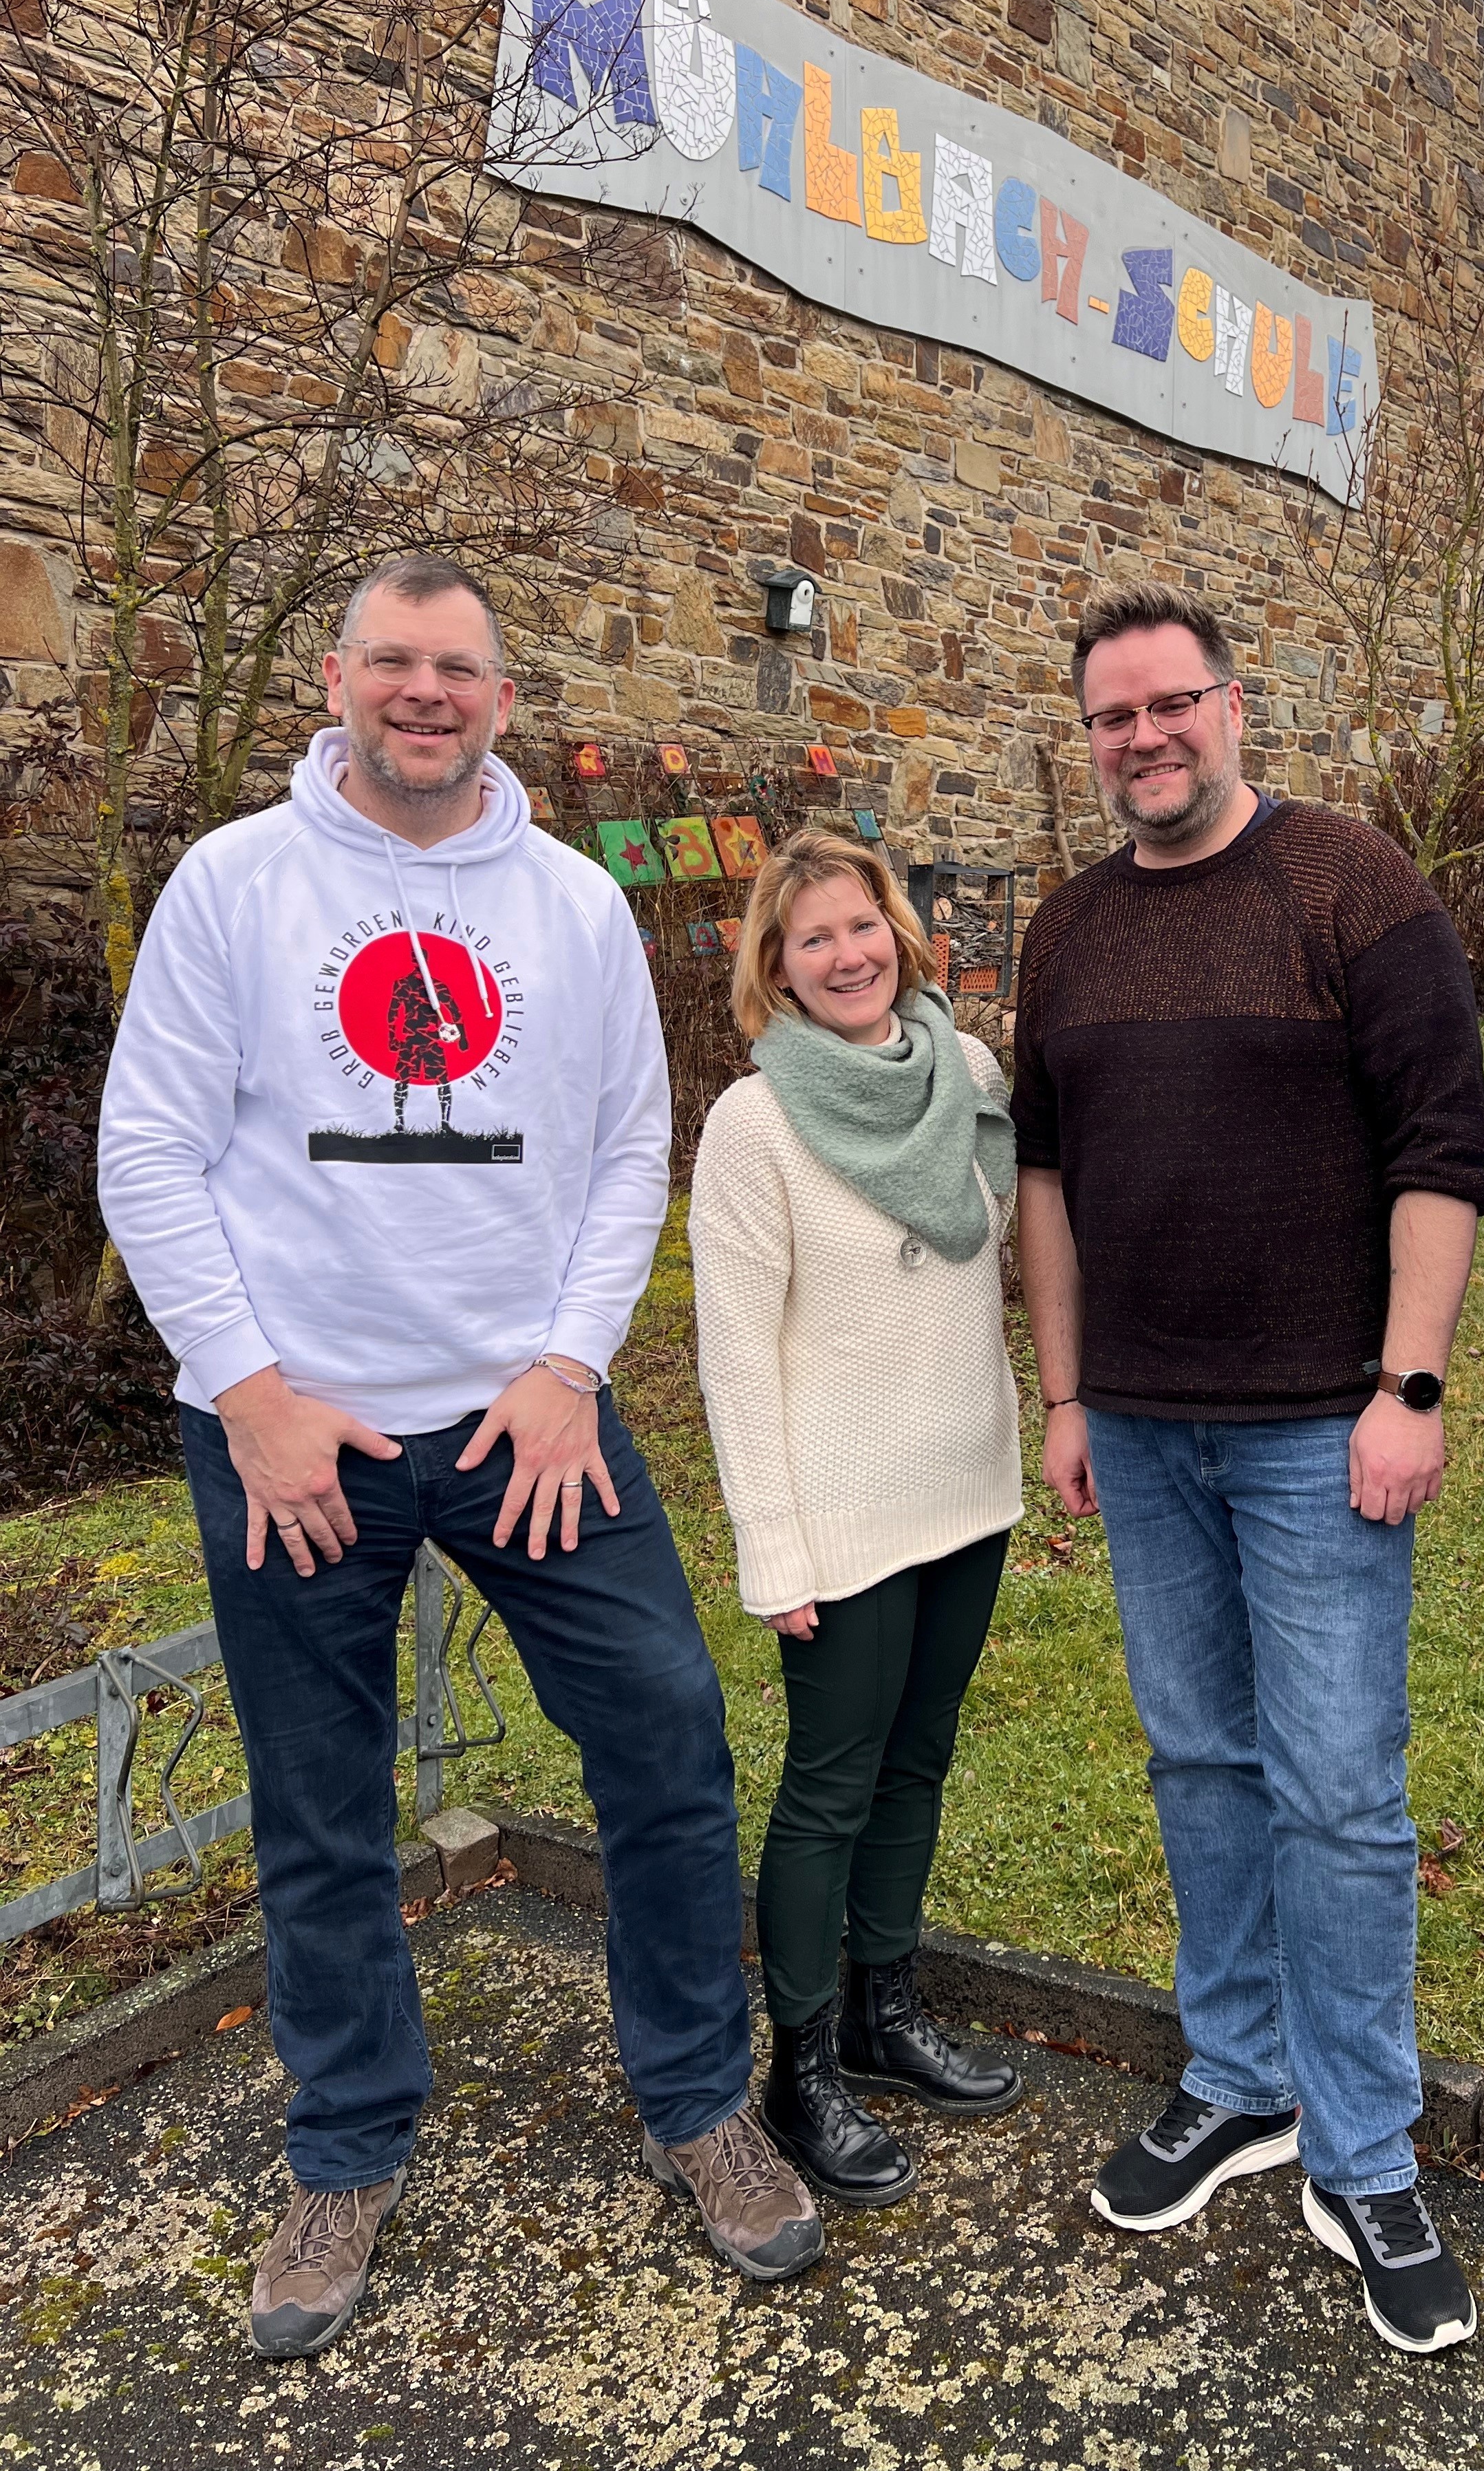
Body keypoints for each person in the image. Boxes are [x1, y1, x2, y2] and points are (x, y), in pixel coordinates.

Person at [97, 553, 824, 2361]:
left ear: (504, 700)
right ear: (337, 680)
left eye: (460, 670)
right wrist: (248, 1391)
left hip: (525, 1428)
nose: (426, 693)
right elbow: (151, 1155)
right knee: (318, 1805)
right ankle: (344, 2142)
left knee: (665, 1736)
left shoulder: (571, 909)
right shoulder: (233, 889)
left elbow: (621, 1151)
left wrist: (576, 1365)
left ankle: (694, 2100)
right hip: (296, 1442)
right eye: (394, 663)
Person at [1011, 579, 1484, 2357]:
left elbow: (1444, 1145)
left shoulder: (1355, 888)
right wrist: (1066, 1394)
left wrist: (1413, 1384)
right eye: (1112, 718)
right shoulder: (1064, 931)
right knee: (1199, 1760)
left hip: (1321, 1432)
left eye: (1172, 704)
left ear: (1234, 704)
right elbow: (1045, 1181)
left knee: (1339, 1791)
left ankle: (1366, 2149)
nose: (1145, 738)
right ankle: (1238, 2079)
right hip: (1138, 1429)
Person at [690, 829, 1024, 2206]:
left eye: (864, 925)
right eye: (812, 938)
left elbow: (996, 1252)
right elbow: (732, 1354)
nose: (848, 954)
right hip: (839, 1512)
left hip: (966, 1485)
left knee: (920, 1761)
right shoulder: (753, 1127)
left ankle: (889, 2015)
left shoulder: (970, 1075)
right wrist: (771, 1541)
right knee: (832, 1784)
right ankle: (805, 2062)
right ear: (775, 969)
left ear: (899, 929)